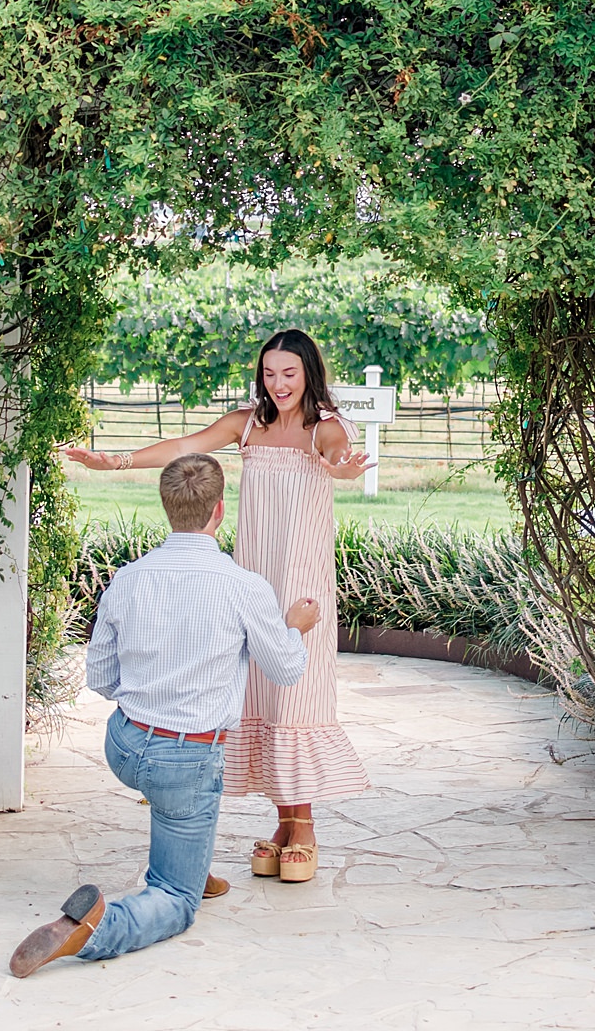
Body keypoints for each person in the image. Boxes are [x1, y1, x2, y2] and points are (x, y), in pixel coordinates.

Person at [63, 327, 370, 883]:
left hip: (299, 576)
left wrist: (343, 467)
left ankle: (304, 827)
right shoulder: (248, 423)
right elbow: (185, 447)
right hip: (254, 573)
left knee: (294, 693)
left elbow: (337, 454)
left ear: (309, 373)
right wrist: (113, 462)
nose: (278, 384)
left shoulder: (323, 428)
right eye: (270, 372)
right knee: (264, 688)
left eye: (290, 373)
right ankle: (284, 823)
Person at [10, 452, 321, 977]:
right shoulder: (244, 587)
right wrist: (294, 625)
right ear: (219, 511)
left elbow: (101, 679)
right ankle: (94, 927)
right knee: (176, 899)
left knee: (172, 794)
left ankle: (191, 863)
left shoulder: (128, 580)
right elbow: (287, 670)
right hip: (185, 760)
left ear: (167, 507)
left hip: (125, 745)